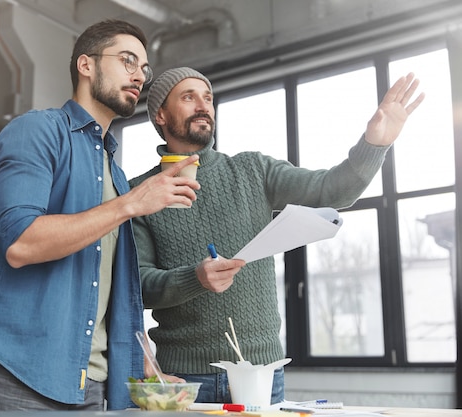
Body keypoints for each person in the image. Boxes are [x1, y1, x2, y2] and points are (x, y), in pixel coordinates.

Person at [128, 67, 424, 404]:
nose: (203, 105)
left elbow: (332, 191)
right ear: (161, 115)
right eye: (188, 97)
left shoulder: (253, 170)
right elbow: (139, 286)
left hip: (262, 373)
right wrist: (194, 278)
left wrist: (375, 144)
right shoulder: (140, 193)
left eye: (208, 97)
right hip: (186, 377)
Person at [0, 22, 200, 415]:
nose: (139, 75)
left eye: (144, 68)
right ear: (86, 65)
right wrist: (130, 204)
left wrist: (147, 369)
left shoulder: (113, 171)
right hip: (20, 376)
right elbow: (21, 243)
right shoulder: (35, 131)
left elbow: (113, 290)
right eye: (127, 61)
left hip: (92, 386)